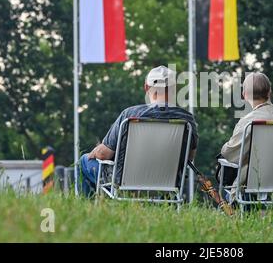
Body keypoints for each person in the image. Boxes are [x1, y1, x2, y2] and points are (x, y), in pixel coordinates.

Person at [78, 66, 198, 197]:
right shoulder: (187, 120)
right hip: (169, 185)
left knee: (84, 161)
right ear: (174, 89)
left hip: (125, 184)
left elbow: (103, 155)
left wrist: (98, 150)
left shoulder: (130, 115)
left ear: (146, 87)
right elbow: (189, 157)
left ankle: (88, 211)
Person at [217, 72, 273, 202]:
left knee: (231, 168)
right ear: (269, 92)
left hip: (254, 178)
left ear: (244, 95)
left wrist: (224, 148)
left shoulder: (247, 122)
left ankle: (241, 206)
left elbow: (230, 153)